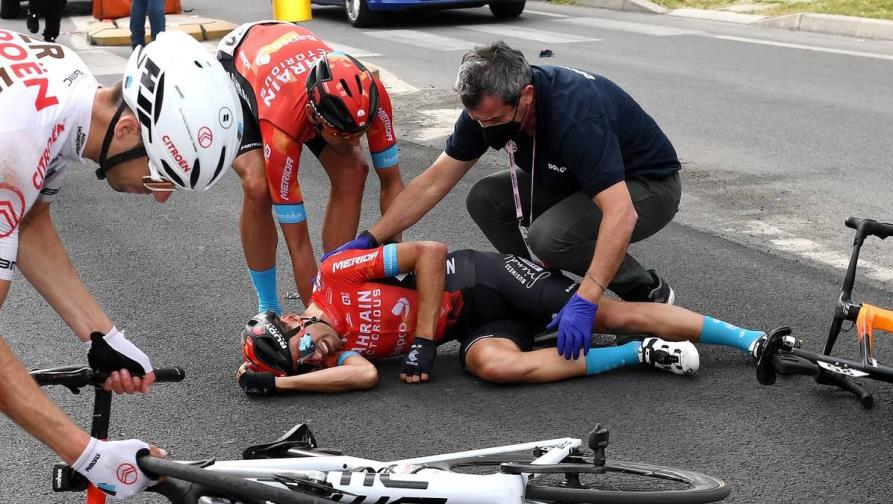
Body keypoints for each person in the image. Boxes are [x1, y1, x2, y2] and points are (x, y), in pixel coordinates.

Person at [326, 41, 684, 363]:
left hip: (647, 187)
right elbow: (433, 182)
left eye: (495, 120)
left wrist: (587, 299)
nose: (486, 128)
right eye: (478, 120)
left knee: (550, 237)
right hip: (573, 180)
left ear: (526, 96)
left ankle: (645, 291)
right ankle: (539, 297)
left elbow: (620, 212)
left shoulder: (575, 114)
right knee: (485, 199)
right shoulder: (484, 111)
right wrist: (370, 238)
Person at [0, 29, 243, 498]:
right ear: (130, 130)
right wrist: (87, 454)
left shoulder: (65, 87)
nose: (160, 196)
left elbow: (29, 218)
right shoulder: (15, 145)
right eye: (160, 175)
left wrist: (103, 335)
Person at [236, 242, 769, 394]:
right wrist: (279, 386)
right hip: (474, 326)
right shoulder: (344, 351)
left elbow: (427, 251)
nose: (322, 356)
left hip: (482, 277)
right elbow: (363, 374)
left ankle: (750, 340)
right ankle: (639, 355)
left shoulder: (334, 276)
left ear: (292, 319)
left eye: (308, 350)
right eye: (309, 366)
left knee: (609, 313)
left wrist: (422, 341)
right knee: (496, 367)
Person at [216, 21, 404, 314]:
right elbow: (298, 242)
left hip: (290, 43)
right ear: (313, 120)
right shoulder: (282, 127)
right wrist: (320, 318)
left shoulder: (373, 96)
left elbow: (392, 183)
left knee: (354, 169)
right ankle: (267, 308)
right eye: (343, 136)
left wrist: (396, 267)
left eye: (361, 133)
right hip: (242, 68)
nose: (355, 142)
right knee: (258, 187)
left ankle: (338, 278)